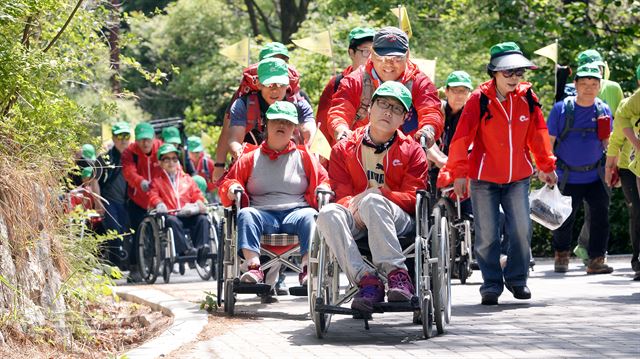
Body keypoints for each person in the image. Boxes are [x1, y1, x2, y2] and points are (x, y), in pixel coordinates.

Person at [443, 42, 557, 305]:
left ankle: (517, 280)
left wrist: (546, 166)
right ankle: (491, 284)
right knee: (487, 235)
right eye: (508, 72)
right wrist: (459, 173)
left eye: (519, 72)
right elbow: (461, 138)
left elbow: (538, 135)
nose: (514, 78)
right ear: (494, 72)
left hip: (518, 177)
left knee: (521, 229)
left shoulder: (528, 98)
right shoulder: (478, 100)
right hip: (484, 179)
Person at [316, 81, 428, 313]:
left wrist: (380, 193)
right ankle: (367, 280)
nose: (388, 111)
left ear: (404, 118)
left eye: (396, 109)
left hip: (398, 219)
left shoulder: (413, 150)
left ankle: (398, 275)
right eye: (383, 104)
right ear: (370, 108)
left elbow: (412, 198)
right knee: (327, 213)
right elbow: (341, 193)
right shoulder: (344, 148)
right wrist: (354, 206)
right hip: (356, 214)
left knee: (373, 201)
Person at [219, 101, 329, 294]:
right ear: (266, 124)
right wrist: (232, 187)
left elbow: (324, 180)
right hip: (262, 215)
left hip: (296, 213)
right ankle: (254, 267)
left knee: (311, 215)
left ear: (294, 128)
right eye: (276, 121)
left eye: (287, 122)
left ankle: (306, 268)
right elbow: (229, 182)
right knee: (246, 214)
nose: (281, 125)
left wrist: (324, 188)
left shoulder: (305, 157)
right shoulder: (249, 157)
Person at [327, 26, 443, 147]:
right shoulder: (354, 81)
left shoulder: (420, 83)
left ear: (407, 54)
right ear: (371, 53)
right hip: (360, 155)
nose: (388, 63)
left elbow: (431, 112)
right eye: (381, 57)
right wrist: (341, 129)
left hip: (406, 157)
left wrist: (428, 130)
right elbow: (340, 111)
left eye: (396, 58)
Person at [548, 63, 614, 275]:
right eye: (584, 83)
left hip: (595, 174)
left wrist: (613, 167)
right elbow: (548, 142)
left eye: (594, 84)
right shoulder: (561, 109)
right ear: (575, 84)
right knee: (563, 218)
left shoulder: (603, 109)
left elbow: (607, 141)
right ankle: (561, 254)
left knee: (600, 218)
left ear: (599, 86)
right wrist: (545, 168)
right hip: (567, 175)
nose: (588, 88)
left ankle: (596, 260)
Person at [212, 42, 308, 182]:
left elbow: (307, 127)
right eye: (271, 60)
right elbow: (228, 132)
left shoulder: (296, 96)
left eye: (282, 61)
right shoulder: (243, 99)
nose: (276, 64)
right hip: (251, 165)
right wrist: (219, 165)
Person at [572, 49, 625, 262]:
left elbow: (620, 118)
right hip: (598, 153)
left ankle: (589, 248)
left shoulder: (609, 88)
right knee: (597, 205)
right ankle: (590, 249)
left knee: (595, 205)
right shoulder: (610, 87)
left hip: (599, 153)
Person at [227, 57, 316, 160]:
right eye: (269, 84)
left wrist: (313, 152)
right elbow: (234, 140)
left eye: (280, 84)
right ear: (259, 84)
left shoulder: (299, 104)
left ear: (287, 84)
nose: (274, 90)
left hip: (290, 162)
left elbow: (311, 133)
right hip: (250, 162)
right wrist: (242, 157)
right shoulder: (242, 105)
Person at [149, 143, 210, 265]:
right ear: (160, 162)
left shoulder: (187, 178)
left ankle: (201, 249)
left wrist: (198, 203)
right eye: (166, 159)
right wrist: (159, 203)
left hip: (188, 213)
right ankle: (186, 251)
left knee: (203, 219)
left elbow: (197, 194)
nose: (171, 162)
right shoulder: (156, 181)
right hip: (171, 214)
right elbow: (152, 195)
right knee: (173, 221)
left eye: (174, 159)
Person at [605, 69, 640, 280]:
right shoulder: (630, 104)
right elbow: (616, 137)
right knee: (637, 211)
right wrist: (610, 165)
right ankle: (638, 261)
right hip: (629, 166)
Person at [316, 27, 375, 146]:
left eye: (374, 52)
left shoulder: (382, 80)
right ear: (351, 53)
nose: (370, 57)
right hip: (345, 150)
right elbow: (322, 123)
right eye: (365, 51)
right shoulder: (337, 83)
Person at [121, 122, 162, 282]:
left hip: (158, 197)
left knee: (159, 232)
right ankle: (135, 268)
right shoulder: (130, 152)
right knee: (137, 233)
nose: (145, 143)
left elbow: (171, 167)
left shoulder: (161, 149)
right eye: (141, 139)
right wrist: (141, 182)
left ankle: (159, 262)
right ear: (136, 140)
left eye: (148, 139)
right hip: (137, 198)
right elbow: (128, 171)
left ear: (153, 138)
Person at [96, 122, 132, 267]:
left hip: (129, 201)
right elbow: (94, 182)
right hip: (109, 200)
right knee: (113, 231)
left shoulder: (134, 157)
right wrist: (98, 203)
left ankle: (127, 263)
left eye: (126, 136)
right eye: (119, 136)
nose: (123, 140)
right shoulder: (103, 159)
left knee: (127, 232)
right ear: (113, 137)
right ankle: (114, 266)